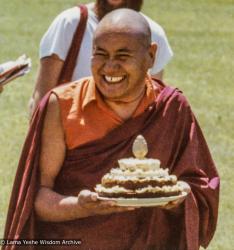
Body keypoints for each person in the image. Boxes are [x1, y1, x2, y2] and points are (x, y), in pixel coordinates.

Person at [4, 9, 219, 250]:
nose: (110, 67)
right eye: (100, 54)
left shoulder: (171, 107)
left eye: (123, 55)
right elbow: (38, 198)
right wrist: (80, 206)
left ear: (151, 55)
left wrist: (177, 198)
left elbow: (201, 189)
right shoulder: (62, 105)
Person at [29, 0, 173, 115]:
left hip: (128, 143)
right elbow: (42, 98)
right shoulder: (70, 23)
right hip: (71, 140)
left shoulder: (154, 33)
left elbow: (152, 103)